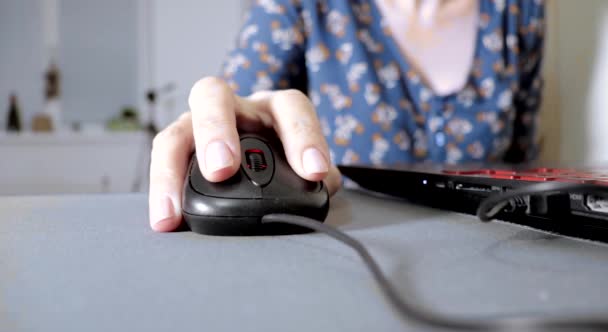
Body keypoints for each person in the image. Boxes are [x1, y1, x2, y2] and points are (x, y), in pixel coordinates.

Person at [148, 0, 545, 232]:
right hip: (356, 245)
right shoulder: (304, 7)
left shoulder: (519, 9)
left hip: (494, 244)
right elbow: (242, 105)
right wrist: (238, 119)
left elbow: (522, 160)